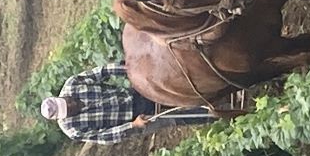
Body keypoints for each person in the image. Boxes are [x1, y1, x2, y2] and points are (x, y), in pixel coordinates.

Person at [40, 62, 215, 144]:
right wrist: (133, 125)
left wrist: (129, 70)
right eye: (68, 111)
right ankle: (215, 114)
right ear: (62, 117)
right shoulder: (72, 129)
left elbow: (102, 72)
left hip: (132, 95)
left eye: (67, 103)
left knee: (173, 89)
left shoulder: (72, 84)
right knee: (174, 118)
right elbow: (104, 136)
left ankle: (212, 88)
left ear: (60, 97)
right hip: (133, 119)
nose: (71, 106)